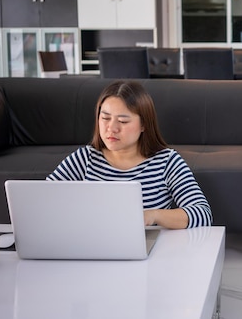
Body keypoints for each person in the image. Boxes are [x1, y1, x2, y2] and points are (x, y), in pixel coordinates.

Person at [47, 80, 212, 229]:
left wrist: (153, 215)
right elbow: (41, 201)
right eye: (105, 118)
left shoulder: (167, 161)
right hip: (91, 248)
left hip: (149, 255)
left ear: (144, 125)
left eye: (123, 121)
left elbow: (202, 214)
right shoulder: (84, 158)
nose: (112, 128)